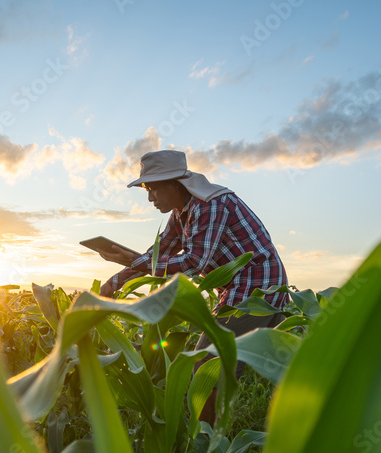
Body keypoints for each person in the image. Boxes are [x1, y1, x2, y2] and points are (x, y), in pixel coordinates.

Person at [96, 149, 289, 421]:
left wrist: (135, 262)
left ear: (176, 184)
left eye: (153, 189)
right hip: (241, 289)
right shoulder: (181, 213)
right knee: (260, 365)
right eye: (146, 190)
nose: (149, 197)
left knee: (207, 364)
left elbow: (194, 262)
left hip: (256, 289)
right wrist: (114, 281)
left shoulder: (210, 205)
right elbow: (158, 254)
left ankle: (207, 441)